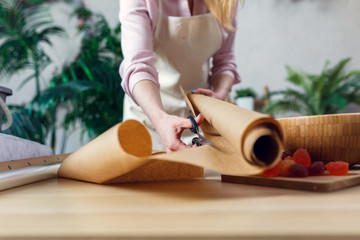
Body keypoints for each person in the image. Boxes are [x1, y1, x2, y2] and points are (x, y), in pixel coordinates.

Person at [119, 0, 241, 152]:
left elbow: (224, 62)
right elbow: (138, 66)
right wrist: (160, 119)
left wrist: (219, 96)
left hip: (200, 127)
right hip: (148, 121)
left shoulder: (226, 2)